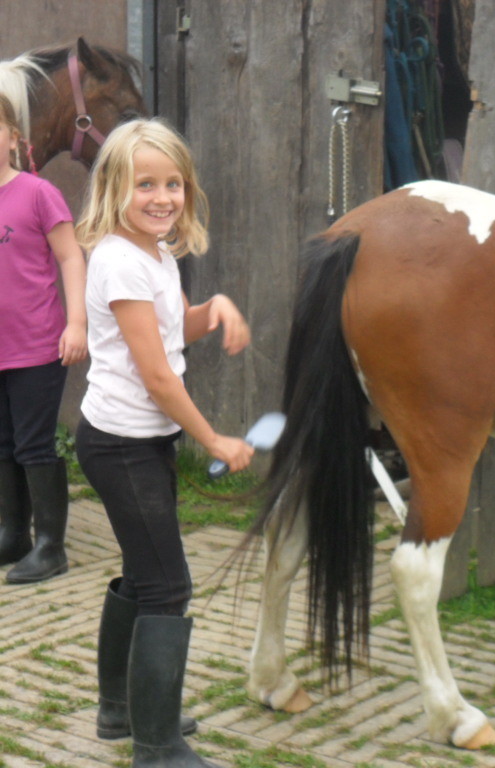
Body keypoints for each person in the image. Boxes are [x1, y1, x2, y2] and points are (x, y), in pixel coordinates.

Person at [74, 118, 254, 768]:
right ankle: (156, 747)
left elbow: (172, 331)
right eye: (144, 184)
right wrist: (214, 439)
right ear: (114, 188)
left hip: (138, 443)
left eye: (173, 183)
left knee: (146, 574)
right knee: (168, 585)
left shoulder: (154, 254)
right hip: (121, 445)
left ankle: (121, 711)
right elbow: (156, 376)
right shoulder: (121, 261)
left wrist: (216, 308)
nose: (162, 197)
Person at [0, 93, 87, 584]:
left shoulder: (38, 193)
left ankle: (50, 546)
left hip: (36, 346)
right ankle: (13, 534)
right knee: (2, 443)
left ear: (14, 137)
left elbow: (71, 257)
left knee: (33, 444)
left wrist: (77, 323)